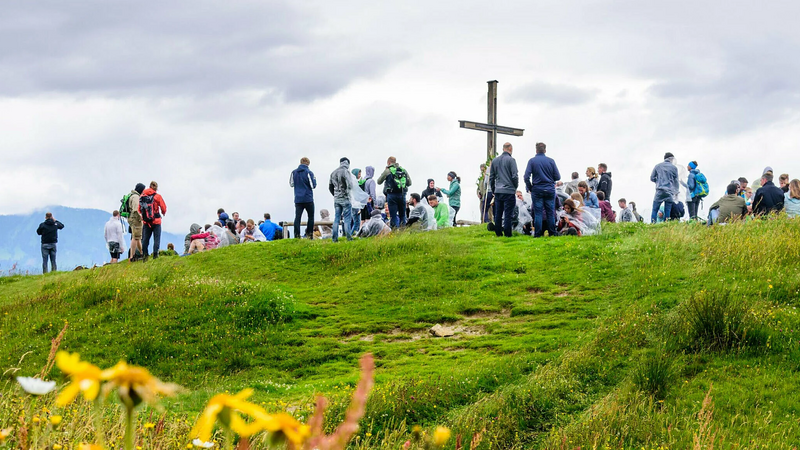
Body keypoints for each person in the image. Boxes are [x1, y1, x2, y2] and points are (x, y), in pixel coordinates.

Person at [523, 142, 560, 237]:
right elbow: (558, 176)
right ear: (545, 150)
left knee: (538, 212)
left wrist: (530, 187)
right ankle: (552, 233)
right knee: (550, 212)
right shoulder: (551, 161)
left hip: (537, 189)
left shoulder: (532, 161)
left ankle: (538, 234)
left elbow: (526, 176)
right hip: (549, 189)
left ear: (536, 150)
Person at [490, 142, 520, 238]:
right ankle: (507, 233)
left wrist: (494, 189)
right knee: (508, 214)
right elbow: (514, 176)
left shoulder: (495, 161)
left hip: (498, 190)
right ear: (510, 149)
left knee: (498, 213)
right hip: (509, 190)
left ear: (503, 149)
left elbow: (492, 177)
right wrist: (515, 187)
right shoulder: (511, 160)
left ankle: (498, 232)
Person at [377, 156, 412, 227]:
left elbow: (379, 181)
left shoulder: (388, 171)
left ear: (389, 162)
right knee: (402, 215)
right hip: (402, 195)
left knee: (393, 215)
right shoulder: (403, 170)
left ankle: (395, 231)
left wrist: (385, 171)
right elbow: (409, 183)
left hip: (392, 195)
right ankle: (403, 231)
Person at [290, 156, 317, 240]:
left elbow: (291, 184)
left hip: (298, 198)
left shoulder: (293, 172)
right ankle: (309, 235)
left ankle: (296, 235)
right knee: (311, 217)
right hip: (308, 198)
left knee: (297, 217)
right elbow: (313, 186)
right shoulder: (309, 172)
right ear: (308, 163)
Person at [140, 181, 167, 260]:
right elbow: (163, 207)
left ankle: (145, 255)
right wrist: (163, 212)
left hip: (146, 222)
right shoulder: (157, 196)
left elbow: (139, 209)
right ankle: (155, 255)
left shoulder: (142, 196)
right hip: (156, 220)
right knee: (156, 238)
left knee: (145, 239)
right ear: (156, 188)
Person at [329, 157, 354, 242]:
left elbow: (330, 187)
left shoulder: (333, 173)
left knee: (336, 218)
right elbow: (350, 185)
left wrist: (335, 195)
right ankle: (348, 237)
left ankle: (334, 239)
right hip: (345, 198)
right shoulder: (346, 172)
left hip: (336, 199)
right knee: (347, 219)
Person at [650, 153, 679, 223]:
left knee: (655, 209)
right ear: (671, 159)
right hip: (669, 191)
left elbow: (652, 178)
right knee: (667, 210)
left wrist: (658, 182)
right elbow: (676, 181)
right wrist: (676, 192)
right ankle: (666, 224)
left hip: (659, 190)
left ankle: (653, 224)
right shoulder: (674, 168)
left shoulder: (657, 166)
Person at [127, 183, 146, 261]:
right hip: (135, 219)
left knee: (138, 237)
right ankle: (132, 256)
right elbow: (136, 209)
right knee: (135, 237)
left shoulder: (132, 195)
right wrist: (141, 217)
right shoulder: (136, 197)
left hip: (131, 218)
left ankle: (141, 253)